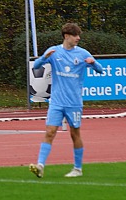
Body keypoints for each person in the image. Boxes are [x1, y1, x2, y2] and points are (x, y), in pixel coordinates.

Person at [29, 23, 103, 178]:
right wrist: (44, 58)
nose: (78, 38)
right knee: (50, 132)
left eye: (78, 35)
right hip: (56, 102)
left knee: (75, 134)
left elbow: (100, 69)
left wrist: (93, 63)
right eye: (75, 35)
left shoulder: (82, 53)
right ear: (66, 36)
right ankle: (40, 165)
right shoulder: (54, 51)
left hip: (74, 103)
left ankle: (77, 169)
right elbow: (36, 66)